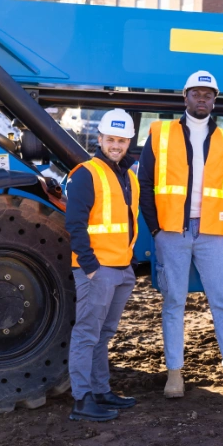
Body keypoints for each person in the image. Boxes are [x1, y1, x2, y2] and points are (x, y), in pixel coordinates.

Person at [139, 70, 223, 400]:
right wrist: (155, 228)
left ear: (214, 100)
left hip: (212, 233)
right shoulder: (160, 133)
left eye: (208, 94)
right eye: (196, 93)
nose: (202, 98)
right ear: (185, 97)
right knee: (174, 303)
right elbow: (146, 184)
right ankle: (175, 376)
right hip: (171, 232)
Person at [66, 109, 140, 422]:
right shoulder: (85, 173)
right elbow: (74, 223)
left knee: (104, 333)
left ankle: (100, 390)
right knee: (87, 334)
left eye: (122, 140)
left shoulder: (130, 176)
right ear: (100, 139)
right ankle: (82, 400)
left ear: (128, 143)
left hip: (121, 269)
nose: (116, 145)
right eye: (111, 139)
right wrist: (90, 266)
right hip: (97, 270)